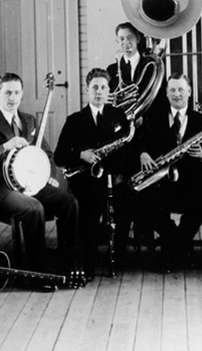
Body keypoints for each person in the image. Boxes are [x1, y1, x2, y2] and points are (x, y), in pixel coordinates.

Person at [0, 72, 80, 282]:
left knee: (69, 202)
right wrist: (4, 147)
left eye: (16, 92)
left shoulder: (29, 120)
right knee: (34, 208)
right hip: (2, 189)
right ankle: (38, 272)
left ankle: (67, 265)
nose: (12, 98)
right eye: (7, 93)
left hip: (29, 185)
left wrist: (47, 175)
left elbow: (47, 154)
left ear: (22, 94)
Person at [134, 72, 202, 270]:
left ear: (189, 91)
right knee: (144, 202)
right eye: (172, 90)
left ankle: (171, 247)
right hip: (162, 182)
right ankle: (181, 245)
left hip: (193, 183)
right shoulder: (154, 118)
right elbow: (141, 140)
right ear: (166, 93)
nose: (177, 94)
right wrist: (143, 153)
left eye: (181, 89)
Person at [54, 68, 131, 280]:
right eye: (94, 87)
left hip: (112, 177)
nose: (99, 91)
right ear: (87, 90)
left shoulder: (118, 116)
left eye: (103, 87)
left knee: (126, 202)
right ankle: (89, 264)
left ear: (109, 91)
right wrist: (81, 154)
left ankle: (116, 258)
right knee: (93, 205)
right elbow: (59, 156)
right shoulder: (75, 120)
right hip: (84, 178)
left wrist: (121, 174)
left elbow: (126, 149)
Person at [106, 21, 167, 121]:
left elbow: (161, 101)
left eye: (129, 37)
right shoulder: (111, 70)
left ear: (138, 38)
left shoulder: (151, 67)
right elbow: (107, 104)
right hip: (122, 125)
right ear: (117, 41)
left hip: (149, 125)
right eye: (122, 39)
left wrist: (143, 118)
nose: (126, 42)